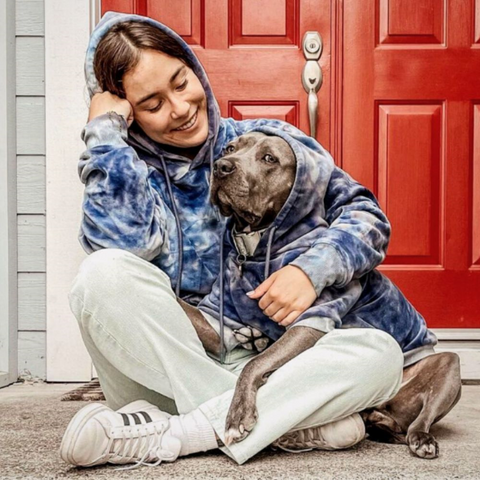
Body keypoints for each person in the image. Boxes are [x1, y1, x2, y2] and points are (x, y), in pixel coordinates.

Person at [59, 11, 418, 470]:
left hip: (276, 362)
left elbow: (365, 214)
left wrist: (311, 271)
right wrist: (106, 140)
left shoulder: (264, 139)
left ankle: (173, 432)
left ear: (194, 68)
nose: (181, 108)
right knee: (100, 274)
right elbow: (121, 250)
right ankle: (284, 421)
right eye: (152, 104)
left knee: (382, 355)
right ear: (129, 115)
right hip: (174, 358)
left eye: (181, 81)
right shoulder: (129, 170)